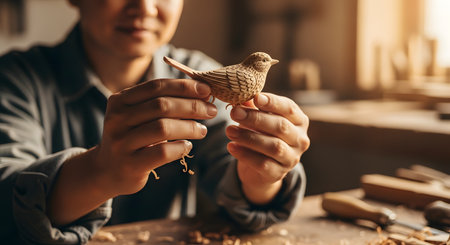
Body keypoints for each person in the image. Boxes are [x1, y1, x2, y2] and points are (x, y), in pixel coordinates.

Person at [0, 0, 310, 244]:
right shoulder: (14, 81)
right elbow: (6, 200)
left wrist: (262, 174)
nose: (145, 7)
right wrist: (98, 172)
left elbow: (235, 169)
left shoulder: (200, 71)